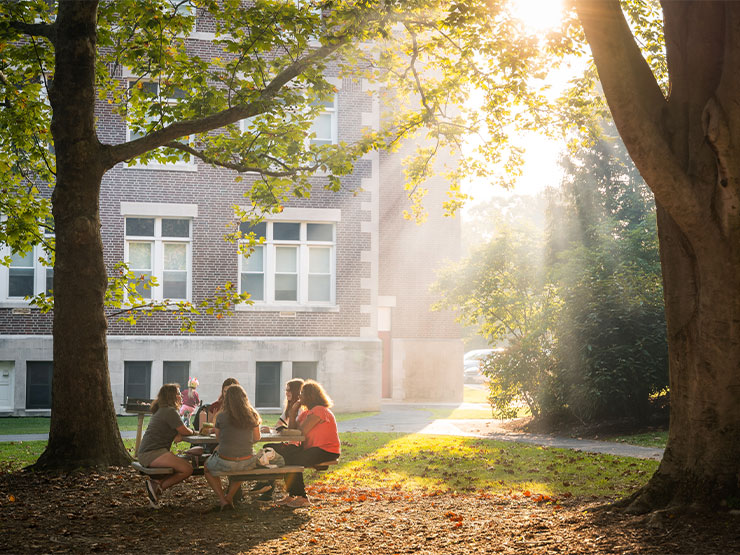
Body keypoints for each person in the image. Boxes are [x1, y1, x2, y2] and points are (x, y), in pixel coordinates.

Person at [277, 380, 340, 508]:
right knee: (287, 455)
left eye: (302, 393)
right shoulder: (306, 412)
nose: (299, 396)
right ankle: (292, 494)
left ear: (310, 396)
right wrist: (293, 411)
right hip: (313, 449)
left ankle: (302, 497)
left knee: (293, 459)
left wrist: (292, 426)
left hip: (326, 451)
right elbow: (293, 430)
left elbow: (301, 432)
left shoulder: (320, 411)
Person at [203, 384, 261, 510]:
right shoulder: (252, 415)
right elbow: (257, 438)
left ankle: (223, 499)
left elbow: (219, 439)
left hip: (225, 460)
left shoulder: (221, 416)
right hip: (247, 461)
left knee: (207, 467)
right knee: (240, 469)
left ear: (227, 400)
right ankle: (229, 498)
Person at [137, 383, 195, 509]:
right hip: (152, 453)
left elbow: (174, 431)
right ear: (172, 396)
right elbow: (185, 431)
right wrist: (192, 431)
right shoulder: (170, 412)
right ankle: (158, 487)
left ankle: (156, 485)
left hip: (150, 452)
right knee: (188, 469)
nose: (181, 396)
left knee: (185, 463)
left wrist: (178, 433)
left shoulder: (163, 410)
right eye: (179, 393)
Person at [251, 378, 304, 500]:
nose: (286, 393)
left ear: (296, 391)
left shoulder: (300, 409)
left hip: (297, 446)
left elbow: (297, 431)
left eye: (289, 390)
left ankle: (267, 486)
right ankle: (267, 487)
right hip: (289, 444)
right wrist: (268, 429)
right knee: (268, 449)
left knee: (269, 451)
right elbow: (278, 426)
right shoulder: (289, 408)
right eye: (286, 390)